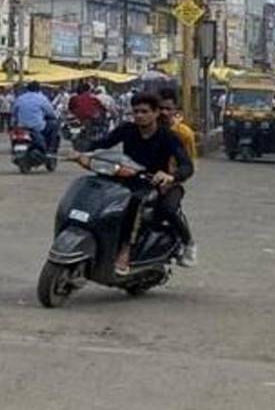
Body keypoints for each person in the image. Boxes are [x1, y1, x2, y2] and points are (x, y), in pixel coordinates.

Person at [79, 91, 194, 274]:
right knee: (97, 188)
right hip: (127, 178)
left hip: (153, 184)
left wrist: (171, 176)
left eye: (144, 111)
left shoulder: (169, 137)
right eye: (136, 112)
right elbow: (103, 143)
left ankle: (126, 250)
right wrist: (79, 152)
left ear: (156, 113)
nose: (139, 116)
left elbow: (187, 165)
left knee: (135, 202)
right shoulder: (127, 130)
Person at [158, 86, 198, 267]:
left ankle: (188, 242)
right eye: (161, 108)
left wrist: (173, 178)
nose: (164, 112)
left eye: (168, 109)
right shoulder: (146, 127)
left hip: (171, 182)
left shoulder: (183, 134)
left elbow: (189, 164)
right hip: (143, 179)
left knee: (168, 209)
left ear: (175, 110)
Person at [11, 81, 58, 153]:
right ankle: (50, 150)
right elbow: (51, 112)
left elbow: (14, 112)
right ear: (39, 89)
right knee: (54, 125)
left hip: (22, 126)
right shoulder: (42, 98)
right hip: (38, 126)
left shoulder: (20, 98)